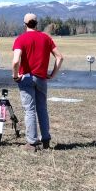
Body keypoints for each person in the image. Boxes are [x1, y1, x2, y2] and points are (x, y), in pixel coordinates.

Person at [12, 13, 64, 152]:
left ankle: (32, 143)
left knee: (29, 110)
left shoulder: (20, 39)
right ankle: (46, 139)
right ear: (37, 23)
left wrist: (15, 75)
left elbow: (16, 60)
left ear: (25, 24)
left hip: (26, 78)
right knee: (42, 109)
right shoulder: (46, 38)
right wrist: (52, 74)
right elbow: (59, 57)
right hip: (41, 78)